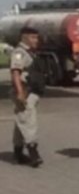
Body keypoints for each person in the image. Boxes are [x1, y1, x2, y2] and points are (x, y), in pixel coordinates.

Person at [9, 26, 45, 167]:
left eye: (36, 37)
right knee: (29, 122)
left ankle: (18, 152)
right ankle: (33, 152)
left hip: (31, 92)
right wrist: (20, 93)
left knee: (21, 121)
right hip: (25, 92)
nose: (36, 40)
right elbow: (15, 73)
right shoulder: (19, 53)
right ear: (24, 37)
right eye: (33, 37)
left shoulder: (30, 52)